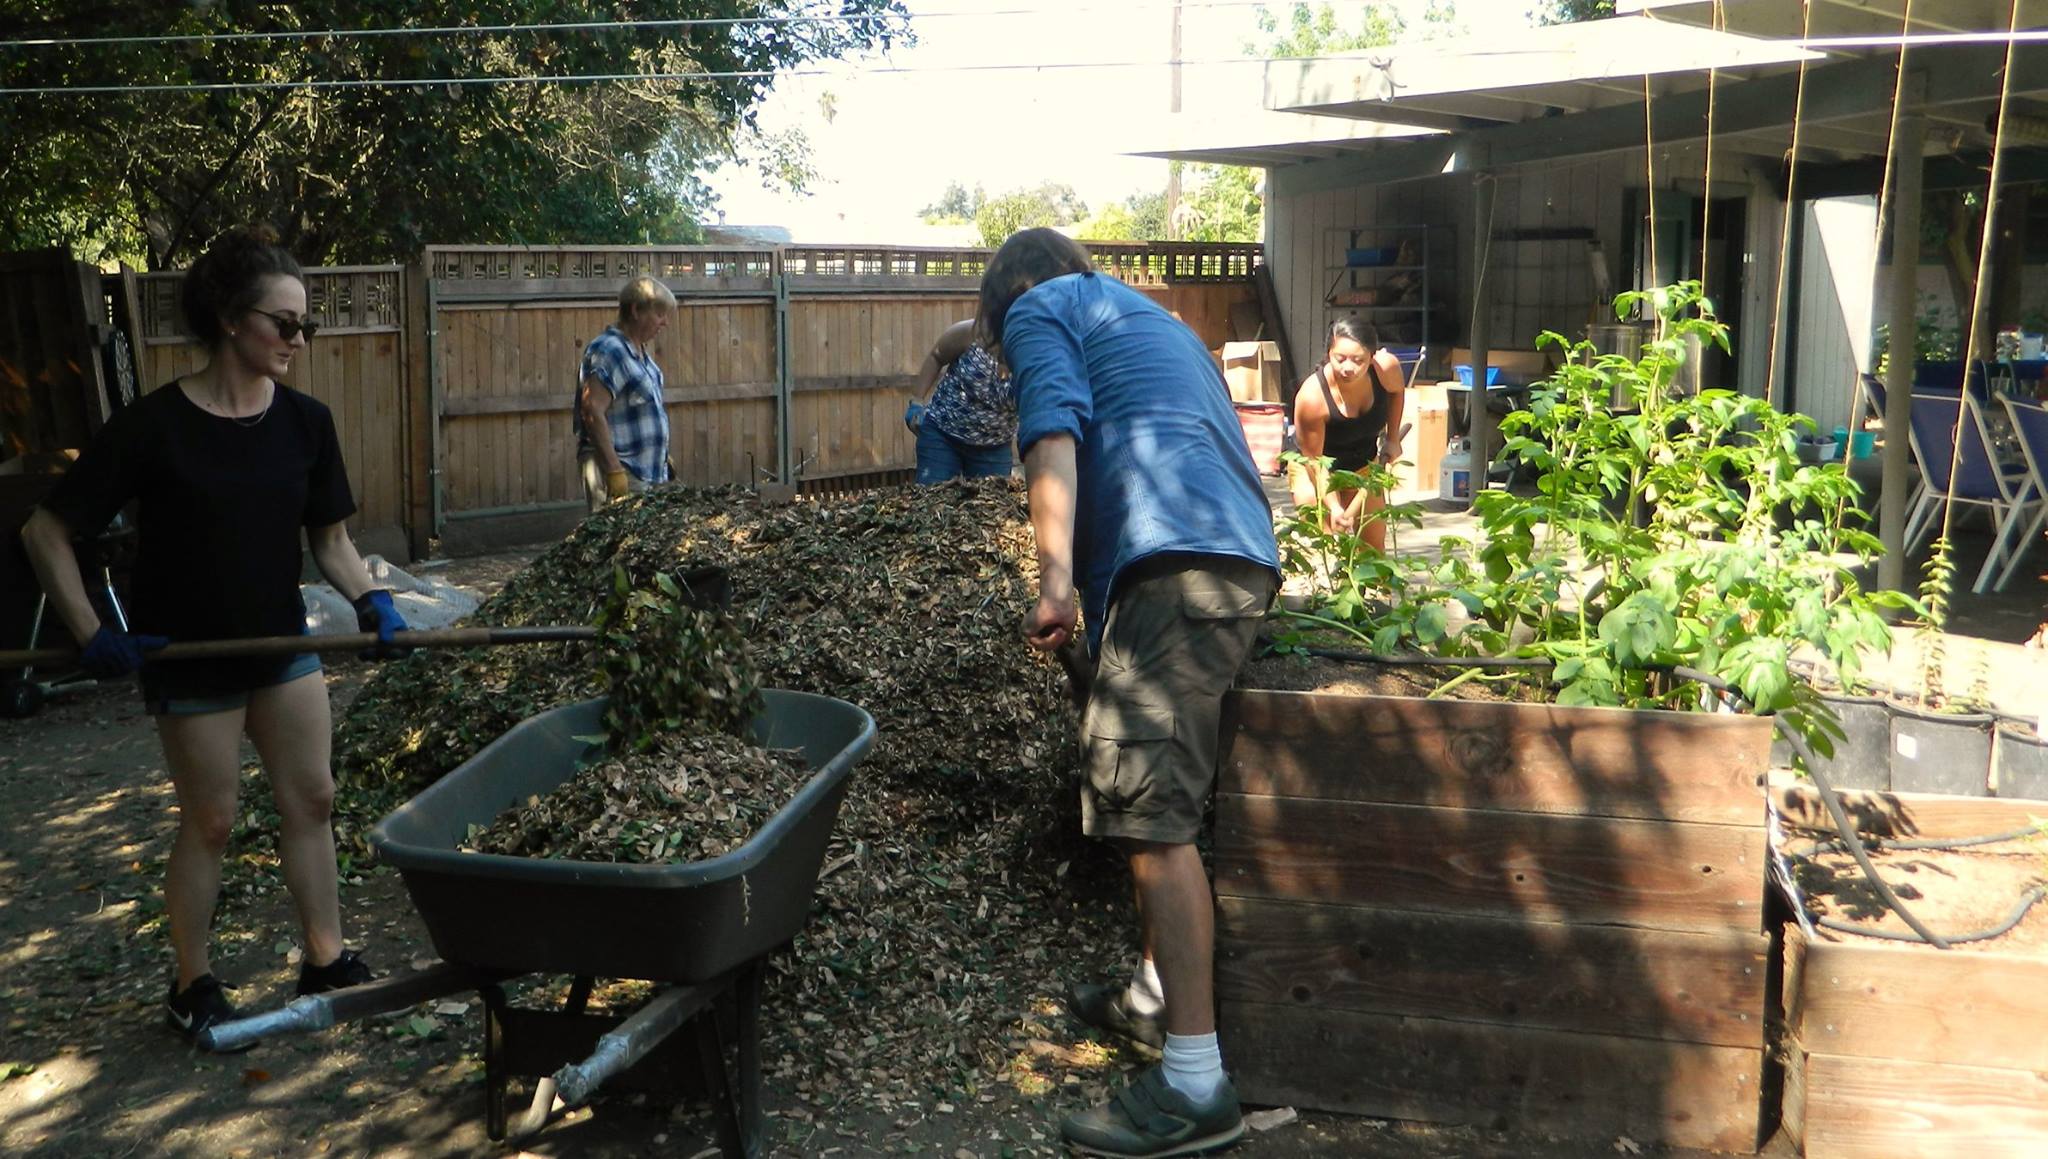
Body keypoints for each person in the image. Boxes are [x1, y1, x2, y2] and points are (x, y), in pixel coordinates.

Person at [18, 225, 405, 1048]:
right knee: (215, 821)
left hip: (280, 647)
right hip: (188, 658)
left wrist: (374, 602)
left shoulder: (306, 423)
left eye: (308, 327)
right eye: (285, 324)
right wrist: (93, 633)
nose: (299, 340)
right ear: (232, 319)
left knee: (314, 799)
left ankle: (325, 958)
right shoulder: (153, 427)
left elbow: (331, 542)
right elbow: (46, 531)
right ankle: (191, 984)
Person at [980, 229, 1280, 1158]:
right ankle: (1154, 998)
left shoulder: (1038, 308)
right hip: (1234, 552)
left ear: (1012, 302)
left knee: (1150, 815)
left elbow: (1053, 439)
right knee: (1160, 798)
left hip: (1173, 559)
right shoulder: (1154, 319)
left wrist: (1056, 582)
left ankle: (1195, 1086)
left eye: (1000, 353)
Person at [1289, 316, 1408, 551]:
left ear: (1372, 357)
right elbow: (1315, 462)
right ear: (1328, 354)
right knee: (1324, 543)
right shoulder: (1312, 398)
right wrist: (1334, 507)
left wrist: (1393, 438)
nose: (1347, 368)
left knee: (1372, 545)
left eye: (1358, 360)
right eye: (1339, 358)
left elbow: (1397, 392)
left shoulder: (1386, 368)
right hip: (1315, 468)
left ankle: (1377, 589)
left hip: (1364, 462)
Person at [575, 275, 677, 511]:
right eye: (660, 314)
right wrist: (614, 471)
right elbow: (591, 410)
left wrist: (661, 455)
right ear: (636, 311)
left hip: (646, 471)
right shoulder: (610, 350)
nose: (665, 323)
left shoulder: (639, 353)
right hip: (624, 470)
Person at [906, 318, 1016, 483]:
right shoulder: (971, 333)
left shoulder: (1032, 352)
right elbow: (937, 356)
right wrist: (916, 402)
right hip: (942, 436)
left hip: (995, 448)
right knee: (934, 501)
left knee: (991, 505)